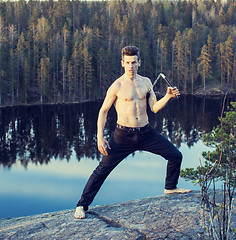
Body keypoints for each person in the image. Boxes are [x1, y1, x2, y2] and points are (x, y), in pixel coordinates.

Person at [74, 46, 191, 219]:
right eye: (127, 63)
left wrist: (167, 96)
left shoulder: (146, 82)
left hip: (146, 133)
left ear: (139, 63)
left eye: (134, 62)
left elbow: (154, 108)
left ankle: (170, 187)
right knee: (102, 170)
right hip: (123, 136)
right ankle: (82, 205)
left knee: (176, 155)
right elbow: (103, 111)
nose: (131, 66)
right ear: (122, 63)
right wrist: (99, 136)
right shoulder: (117, 86)